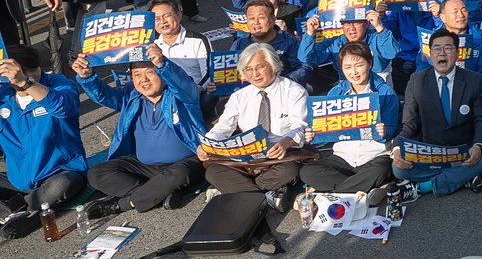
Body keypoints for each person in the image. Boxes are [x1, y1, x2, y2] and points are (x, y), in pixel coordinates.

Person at [72, 43, 206, 215]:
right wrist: (87, 77)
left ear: (162, 74)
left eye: (150, 72)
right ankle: (158, 193)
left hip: (185, 163)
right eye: (137, 75)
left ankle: (125, 203)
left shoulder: (183, 95)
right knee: (97, 173)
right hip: (144, 166)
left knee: (179, 174)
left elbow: (182, 82)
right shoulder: (131, 96)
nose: (144, 80)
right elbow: (105, 96)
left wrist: (162, 63)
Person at [199, 43, 308, 211]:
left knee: (290, 170)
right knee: (212, 171)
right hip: (246, 158)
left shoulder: (294, 91)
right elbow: (223, 127)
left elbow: (300, 125)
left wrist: (286, 142)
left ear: (273, 65)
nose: (255, 74)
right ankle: (265, 196)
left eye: (260, 67)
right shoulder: (239, 96)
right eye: (248, 70)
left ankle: (237, 191)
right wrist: (208, 144)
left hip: (278, 155)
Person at [0, 44, 87, 239]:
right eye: (24, 71)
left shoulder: (59, 84)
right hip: (19, 178)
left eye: (34, 69)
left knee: (63, 184)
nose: (32, 74)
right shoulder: (3, 96)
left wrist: (26, 84)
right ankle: (26, 209)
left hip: (58, 172)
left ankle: (17, 210)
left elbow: (64, 108)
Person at [392, 29, 482, 196]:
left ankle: (423, 187)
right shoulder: (417, 80)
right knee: (397, 168)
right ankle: (463, 178)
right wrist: (397, 148)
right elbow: (409, 123)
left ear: (457, 52)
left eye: (448, 48)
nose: (442, 53)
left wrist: (478, 146)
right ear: (429, 54)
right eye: (437, 49)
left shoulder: (474, 80)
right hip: (430, 154)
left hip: (462, 153)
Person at [299, 42, 400, 202]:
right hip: (343, 157)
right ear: (341, 69)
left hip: (374, 155)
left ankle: (330, 196)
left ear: (370, 64)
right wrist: (314, 134)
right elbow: (326, 128)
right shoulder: (335, 92)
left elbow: (392, 128)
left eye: (359, 65)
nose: (354, 72)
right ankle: (365, 189)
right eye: (347, 67)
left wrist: (384, 131)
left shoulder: (385, 92)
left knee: (381, 170)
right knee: (307, 172)